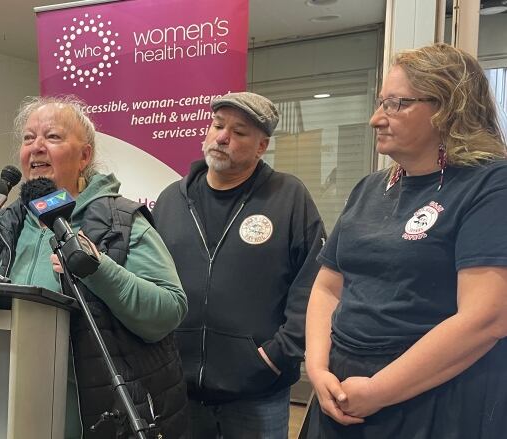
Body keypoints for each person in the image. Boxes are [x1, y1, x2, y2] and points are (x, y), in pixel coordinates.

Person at [305, 43, 507, 438]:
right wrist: (316, 367)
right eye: (382, 102)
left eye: (397, 104)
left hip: (432, 395)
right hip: (343, 390)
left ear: (449, 108)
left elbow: (486, 318)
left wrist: (379, 391)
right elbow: (328, 287)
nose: (375, 118)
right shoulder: (370, 187)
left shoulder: (490, 184)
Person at [0, 96, 189, 438]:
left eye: (53, 137)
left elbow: (168, 311)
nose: (36, 148)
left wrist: (98, 270)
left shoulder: (121, 220)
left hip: (97, 419)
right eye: (29, 138)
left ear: (85, 156)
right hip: (12, 412)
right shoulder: (6, 226)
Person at [153, 91, 326, 438]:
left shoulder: (288, 197)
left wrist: (277, 355)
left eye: (239, 132)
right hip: (179, 390)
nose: (222, 137)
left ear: (261, 146)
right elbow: (150, 278)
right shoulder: (172, 199)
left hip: (257, 392)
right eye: (217, 125)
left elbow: (314, 284)